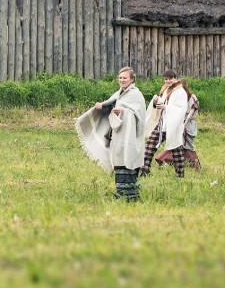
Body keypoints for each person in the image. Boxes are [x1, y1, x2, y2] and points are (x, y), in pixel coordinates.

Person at [78, 66, 147, 201]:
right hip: (119, 135)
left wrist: (122, 111)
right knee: (120, 161)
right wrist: (102, 106)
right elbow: (112, 107)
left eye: (125, 78)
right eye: (120, 78)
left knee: (128, 160)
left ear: (132, 79)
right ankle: (124, 193)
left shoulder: (135, 95)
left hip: (130, 137)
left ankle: (129, 196)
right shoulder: (120, 93)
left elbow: (137, 114)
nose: (122, 80)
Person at [141, 69, 188, 178]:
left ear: (175, 78)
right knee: (150, 145)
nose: (168, 81)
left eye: (170, 79)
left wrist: (166, 107)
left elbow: (181, 109)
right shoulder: (166, 90)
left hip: (173, 125)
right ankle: (144, 170)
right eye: (166, 79)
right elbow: (161, 104)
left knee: (176, 149)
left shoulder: (181, 92)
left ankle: (179, 174)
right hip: (162, 124)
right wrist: (155, 102)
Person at [156, 78, 201, 171]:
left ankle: (195, 166)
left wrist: (184, 123)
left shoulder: (191, 97)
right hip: (177, 124)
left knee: (188, 146)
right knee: (175, 144)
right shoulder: (174, 95)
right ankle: (164, 160)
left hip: (187, 126)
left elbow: (191, 112)